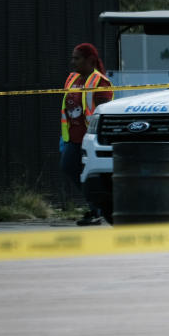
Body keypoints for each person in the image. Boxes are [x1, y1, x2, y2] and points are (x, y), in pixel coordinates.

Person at [61, 42, 112, 225]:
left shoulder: (100, 82)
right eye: (72, 58)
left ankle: (97, 209)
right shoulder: (72, 79)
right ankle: (96, 208)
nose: (73, 62)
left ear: (90, 60)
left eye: (77, 58)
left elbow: (102, 112)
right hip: (72, 137)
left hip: (89, 139)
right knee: (70, 167)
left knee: (83, 172)